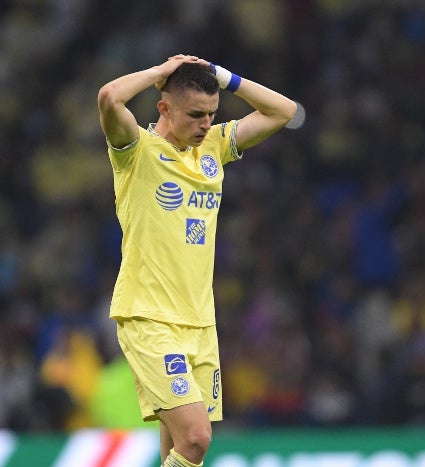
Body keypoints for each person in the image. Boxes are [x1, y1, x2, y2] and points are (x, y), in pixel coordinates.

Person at [97, 54, 297, 467]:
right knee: (196, 439)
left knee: (177, 450)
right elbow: (109, 98)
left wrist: (223, 76)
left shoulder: (213, 147)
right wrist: (159, 73)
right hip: (149, 317)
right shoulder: (136, 151)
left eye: (212, 114)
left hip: (200, 322)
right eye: (195, 114)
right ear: (164, 108)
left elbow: (285, 111)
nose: (206, 124)